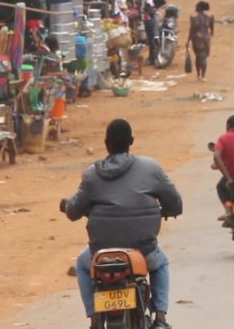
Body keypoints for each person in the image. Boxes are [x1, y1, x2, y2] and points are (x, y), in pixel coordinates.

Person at [62, 119, 182, 329]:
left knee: (82, 265)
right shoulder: (150, 168)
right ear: (131, 141)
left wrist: (66, 206)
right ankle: (160, 318)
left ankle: (94, 320)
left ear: (106, 144)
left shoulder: (91, 174)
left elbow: (74, 211)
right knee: (161, 264)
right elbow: (175, 203)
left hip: (101, 254)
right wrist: (168, 211)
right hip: (143, 251)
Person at [140, 0, 166, 66]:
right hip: (153, 19)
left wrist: (145, 12)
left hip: (150, 20)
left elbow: (150, 9)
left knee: (152, 40)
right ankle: (153, 57)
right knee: (152, 39)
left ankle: (153, 58)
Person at [188, 1, 213, 81]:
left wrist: (188, 41)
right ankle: (203, 76)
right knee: (204, 58)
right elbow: (212, 30)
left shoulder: (193, 17)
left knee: (198, 57)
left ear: (198, 8)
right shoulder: (210, 17)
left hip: (196, 39)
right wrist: (209, 37)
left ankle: (198, 74)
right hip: (206, 39)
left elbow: (191, 30)